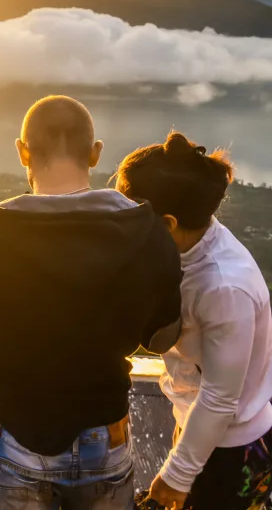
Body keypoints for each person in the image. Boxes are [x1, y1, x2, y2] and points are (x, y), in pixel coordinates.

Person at [0, 95, 183, 510]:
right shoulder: (148, 232)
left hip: (17, 434)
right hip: (104, 436)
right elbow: (163, 339)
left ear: (23, 152)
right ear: (95, 153)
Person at [116, 132, 272, 510]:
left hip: (229, 449)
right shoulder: (190, 247)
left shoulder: (223, 286)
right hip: (199, 428)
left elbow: (220, 398)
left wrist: (176, 475)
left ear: (168, 223)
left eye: (133, 215)